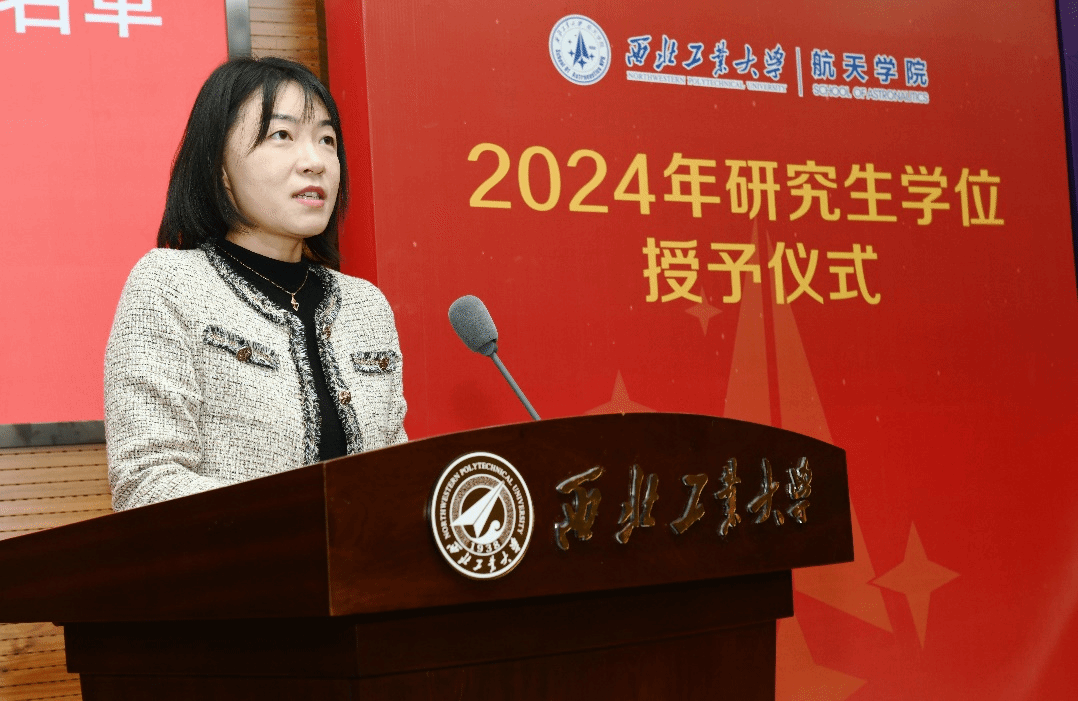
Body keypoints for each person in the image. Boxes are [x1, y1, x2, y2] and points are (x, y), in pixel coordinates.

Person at [104, 57, 407, 511]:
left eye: (326, 140)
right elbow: (146, 483)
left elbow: (398, 474)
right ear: (219, 167)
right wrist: (293, 524)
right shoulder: (169, 286)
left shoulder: (366, 306)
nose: (315, 162)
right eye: (281, 135)